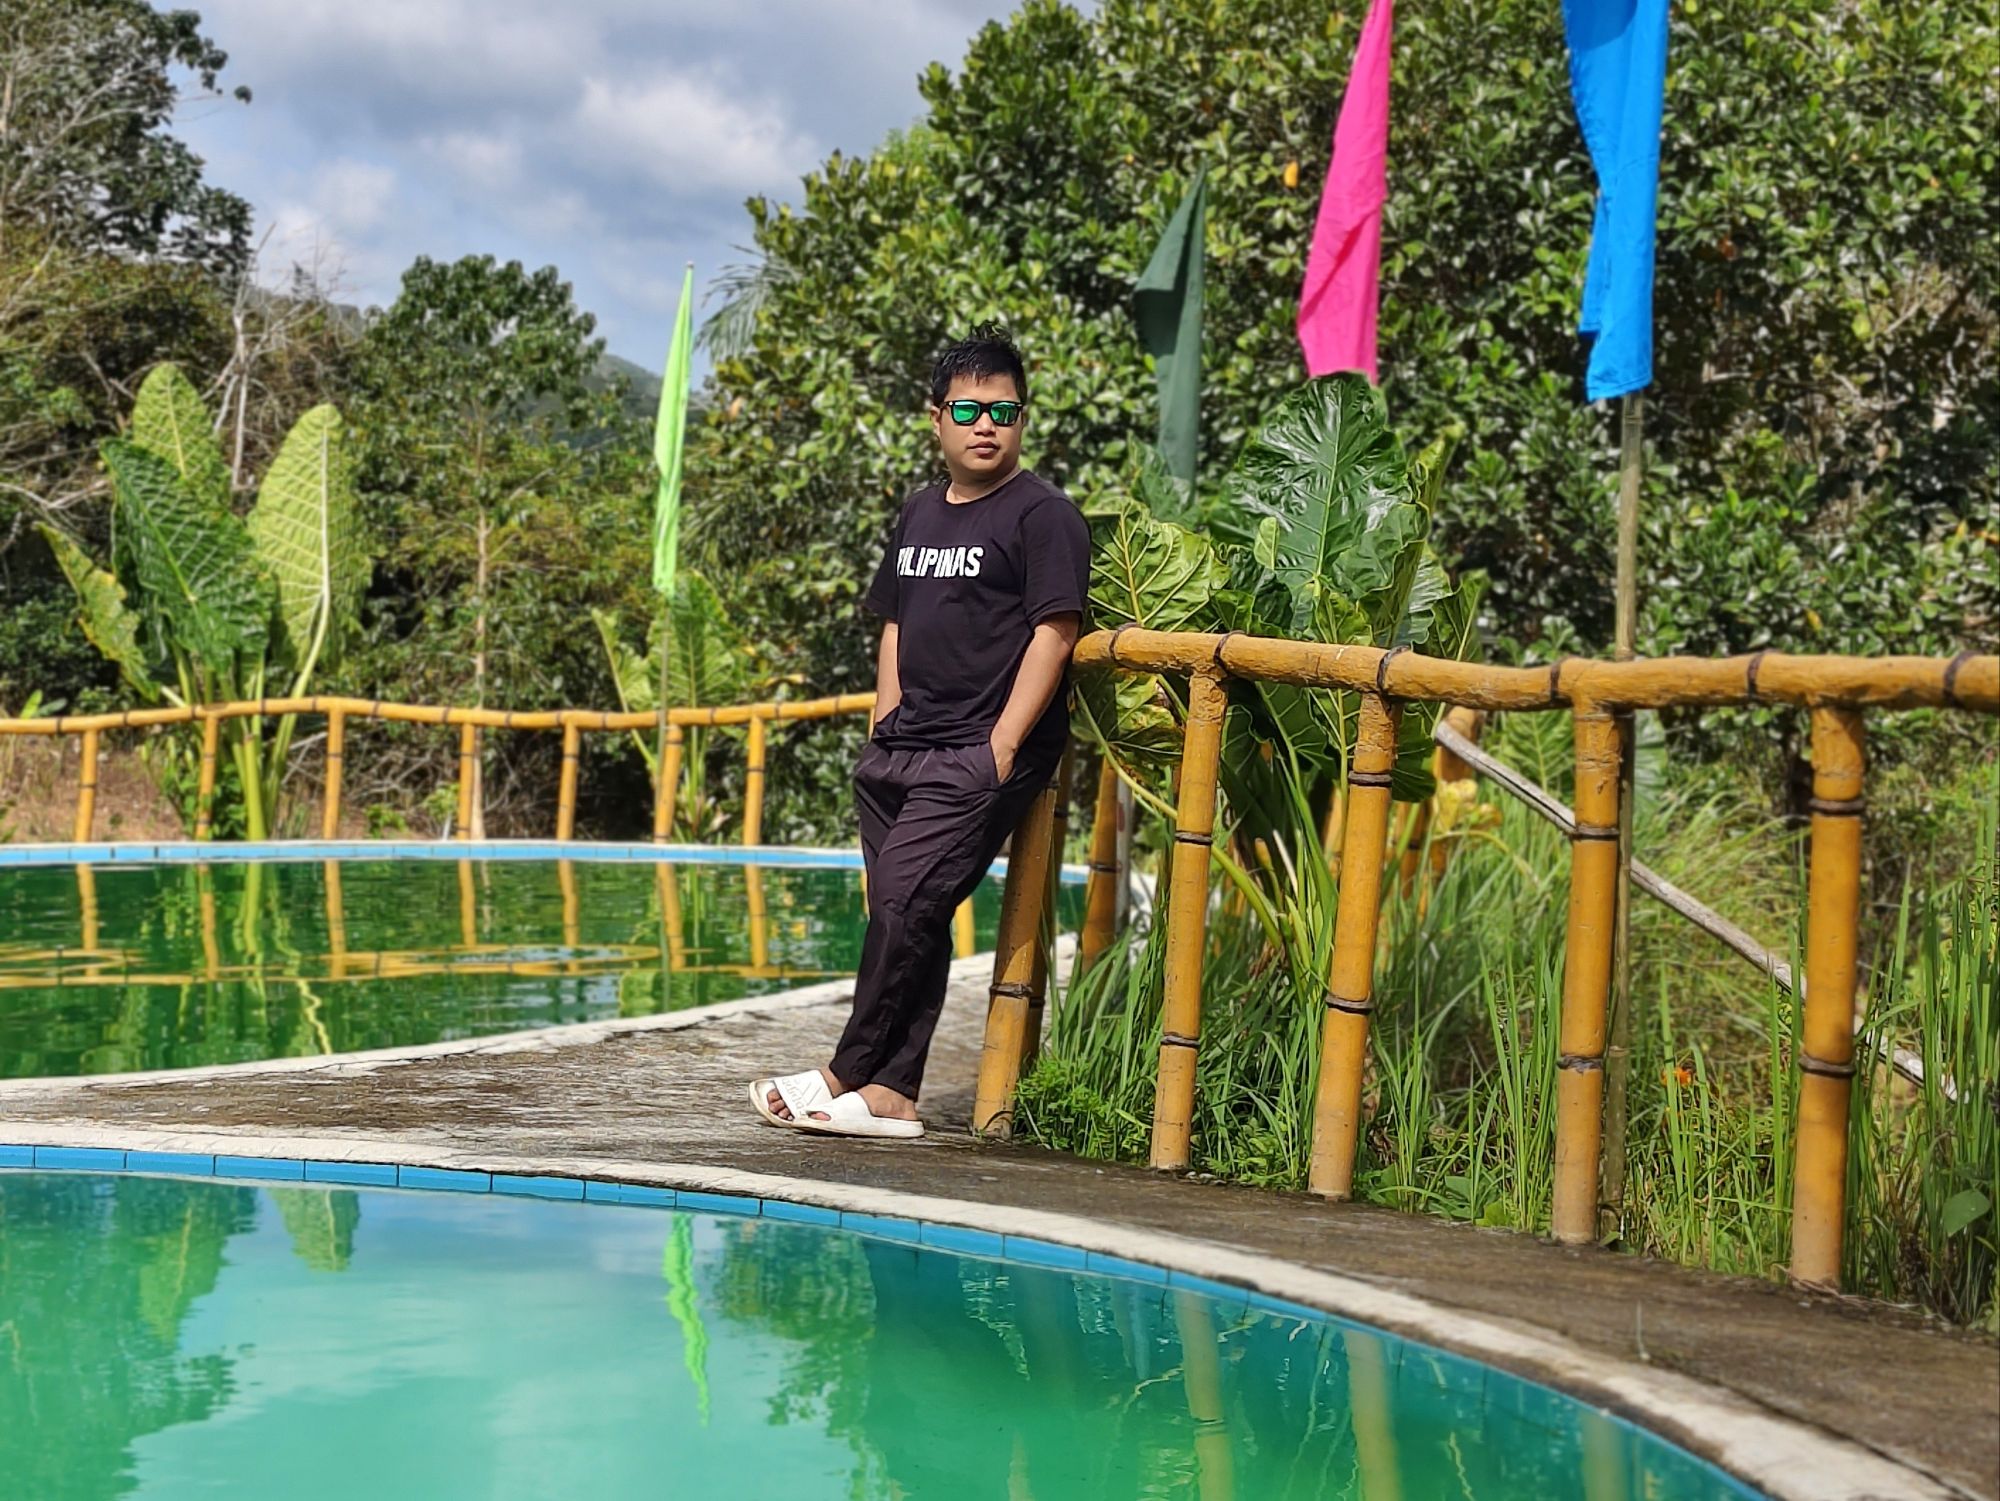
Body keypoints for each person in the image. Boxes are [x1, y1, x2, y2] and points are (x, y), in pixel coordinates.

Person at [751, 323, 1090, 1138]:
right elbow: (895, 624)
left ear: (1022, 419)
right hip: (902, 747)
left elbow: (1056, 632)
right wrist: (882, 725)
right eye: (968, 408)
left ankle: (842, 1069)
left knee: (904, 898)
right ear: (935, 417)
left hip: (977, 750)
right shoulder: (918, 515)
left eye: (1003, 411)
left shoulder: (1044, 516)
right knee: (909, 909)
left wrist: (1001, 748)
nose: (986, 425)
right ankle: (894, 1092)